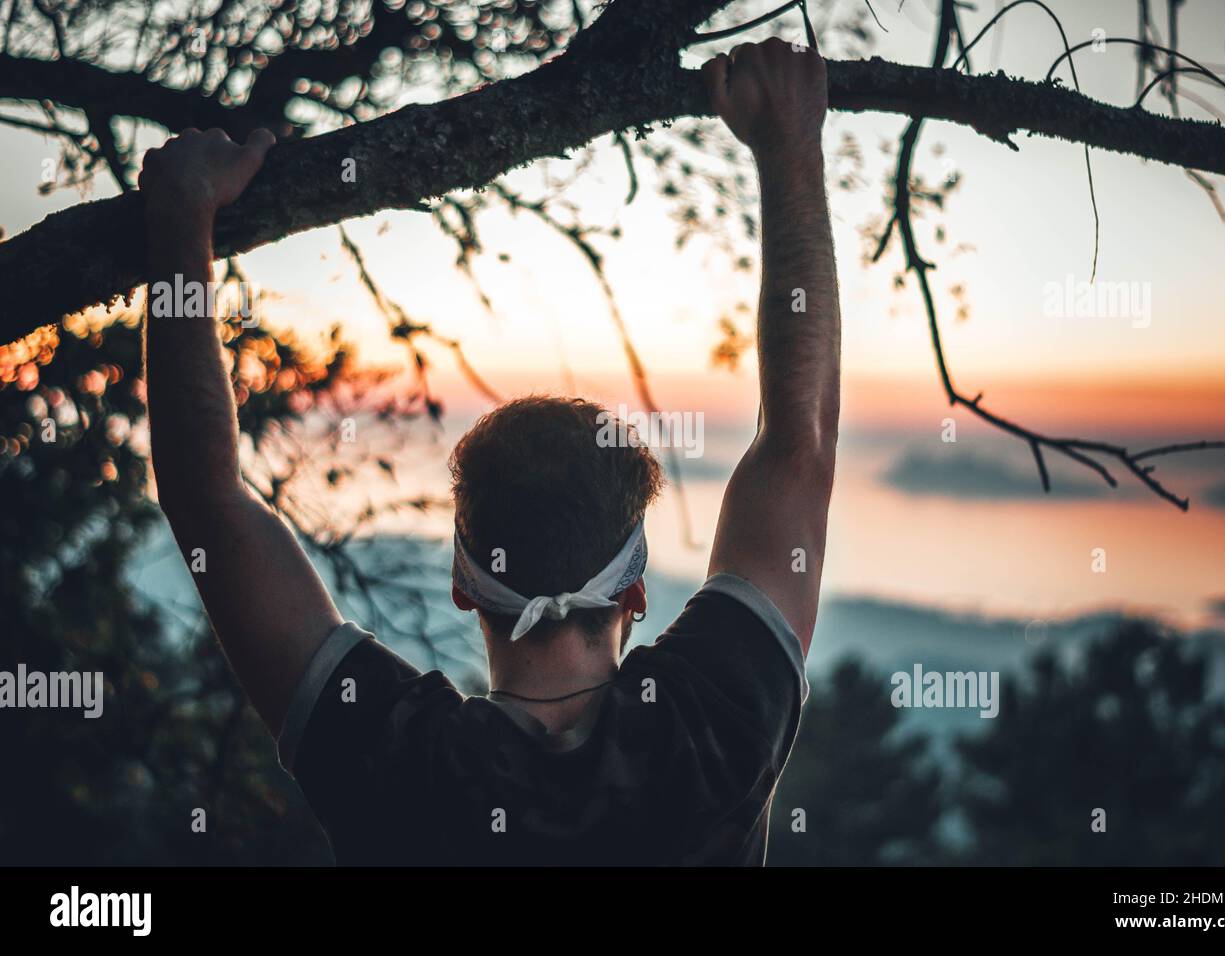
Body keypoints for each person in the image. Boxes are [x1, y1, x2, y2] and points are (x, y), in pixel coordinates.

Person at [141, 36, 840, 865]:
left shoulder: (394, 761)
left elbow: (206, 503)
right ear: (637, 592)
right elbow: (800, 443)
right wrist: (791, 146)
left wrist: (182, 219)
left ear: (462, 586)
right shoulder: (714, 726)